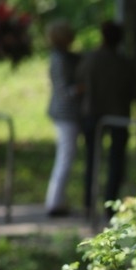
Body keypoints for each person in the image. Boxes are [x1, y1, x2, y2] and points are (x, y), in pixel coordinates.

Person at [75, 20, 136, 215]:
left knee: (92, 159)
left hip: (92, 115)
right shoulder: (124, 63)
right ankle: (109, 205)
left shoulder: (90, 60)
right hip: (118, 116)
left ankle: (88, 203)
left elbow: (79, 83)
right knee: (115, 161)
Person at [43, 21, 81, 216]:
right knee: (65, 156)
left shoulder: (65, 57)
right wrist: (80, 89)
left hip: (65, 112)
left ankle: (58, 200)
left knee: (66, 155)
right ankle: (55, 202)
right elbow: (64, 90)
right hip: (66, 113)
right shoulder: (60, 60)